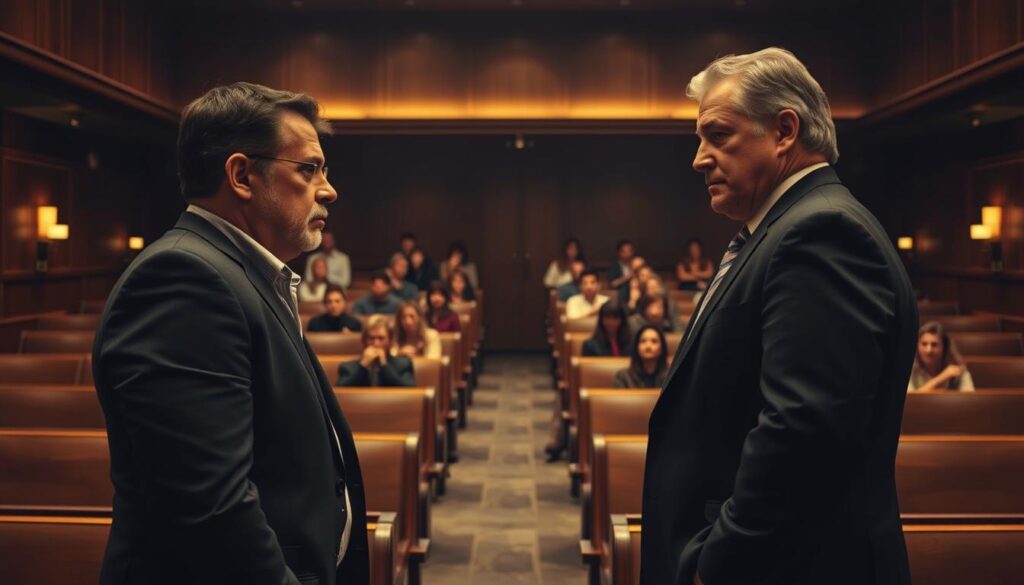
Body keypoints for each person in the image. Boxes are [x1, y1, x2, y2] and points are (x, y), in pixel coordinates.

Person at [641, 49, 917, 585]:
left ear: (784, 130)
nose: (699, 158)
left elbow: (803, 435)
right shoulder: (784, 229)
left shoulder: (820, 234)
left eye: (718, 135)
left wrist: (717, 565)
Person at [92, 82, 369, 585]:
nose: (329, 189)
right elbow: (211, 511)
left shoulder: (241, 272)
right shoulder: (184, 279)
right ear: (242, 175)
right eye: (309, 169)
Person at [336, 316, 415, 387]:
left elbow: (409, 389)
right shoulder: (347, 367)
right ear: (364, 341)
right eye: (371, 338)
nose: (376, 344)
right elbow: (340, 391)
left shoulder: (403, 365)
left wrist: (384, 366)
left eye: (381, 338)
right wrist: (363, 366)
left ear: (390, 341)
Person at [907, 321, 975, 392]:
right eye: (924, 344)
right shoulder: (908, 369)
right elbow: (908, 398)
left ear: (944, 347)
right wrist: (942, 377)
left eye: (934, 345)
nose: (928, 350)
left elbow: (969, 397)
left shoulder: (957, 368)